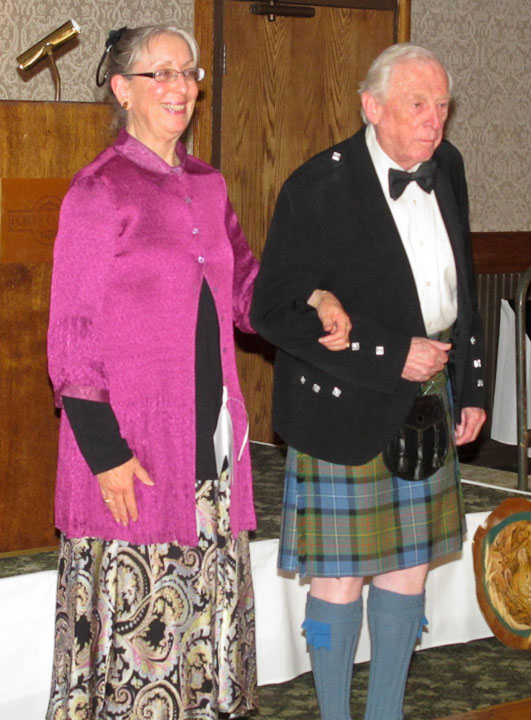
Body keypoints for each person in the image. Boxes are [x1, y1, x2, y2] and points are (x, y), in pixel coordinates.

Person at [46, 24, 349, 720]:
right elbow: (71, 336)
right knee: (142, 643)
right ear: (122, 90)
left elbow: (247, 290)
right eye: (160, 73)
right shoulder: (98, 190)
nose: (180, 87)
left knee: (204, 627)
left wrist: (311, 299)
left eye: (188, 73)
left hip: (209, 442)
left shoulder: (207, 185)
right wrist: (106, 454)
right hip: (133, 453)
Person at [250, 43, 487, 720]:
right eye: (417, 104)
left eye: (442, 105)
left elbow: (461, 285)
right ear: (371, 107)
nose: (434, 119)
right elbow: (273, 311)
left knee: (408, 571)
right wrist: (388, 355)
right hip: (344, 407)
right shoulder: (316, 187)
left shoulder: (447, 166)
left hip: (428, 400)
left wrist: (471, 386)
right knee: (338, 577)